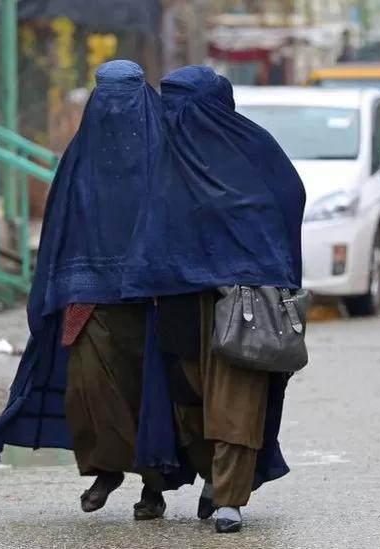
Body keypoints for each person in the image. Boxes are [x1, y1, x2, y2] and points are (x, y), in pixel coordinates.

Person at [0, 60, 194, 519]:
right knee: (91, 392)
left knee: (152, 395)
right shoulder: (81, 160)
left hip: (154, 300)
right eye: (106, 95)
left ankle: (153, 488)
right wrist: (60, 285)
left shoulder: (168, 155)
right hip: (90, 300)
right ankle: (106, 469)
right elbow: (59, 230)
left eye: (125, 94)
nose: (115, 107)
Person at [120, 65, 306, 533]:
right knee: (188, 397)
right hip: (180, 294)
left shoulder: (253, 149)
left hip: (244, 296)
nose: (173, 114)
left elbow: (286, 199)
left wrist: (255, 261)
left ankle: (230, 498)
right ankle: (210, 477)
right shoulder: (166, 153)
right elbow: (149, 217)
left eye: (183, 103)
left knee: (237, 398)